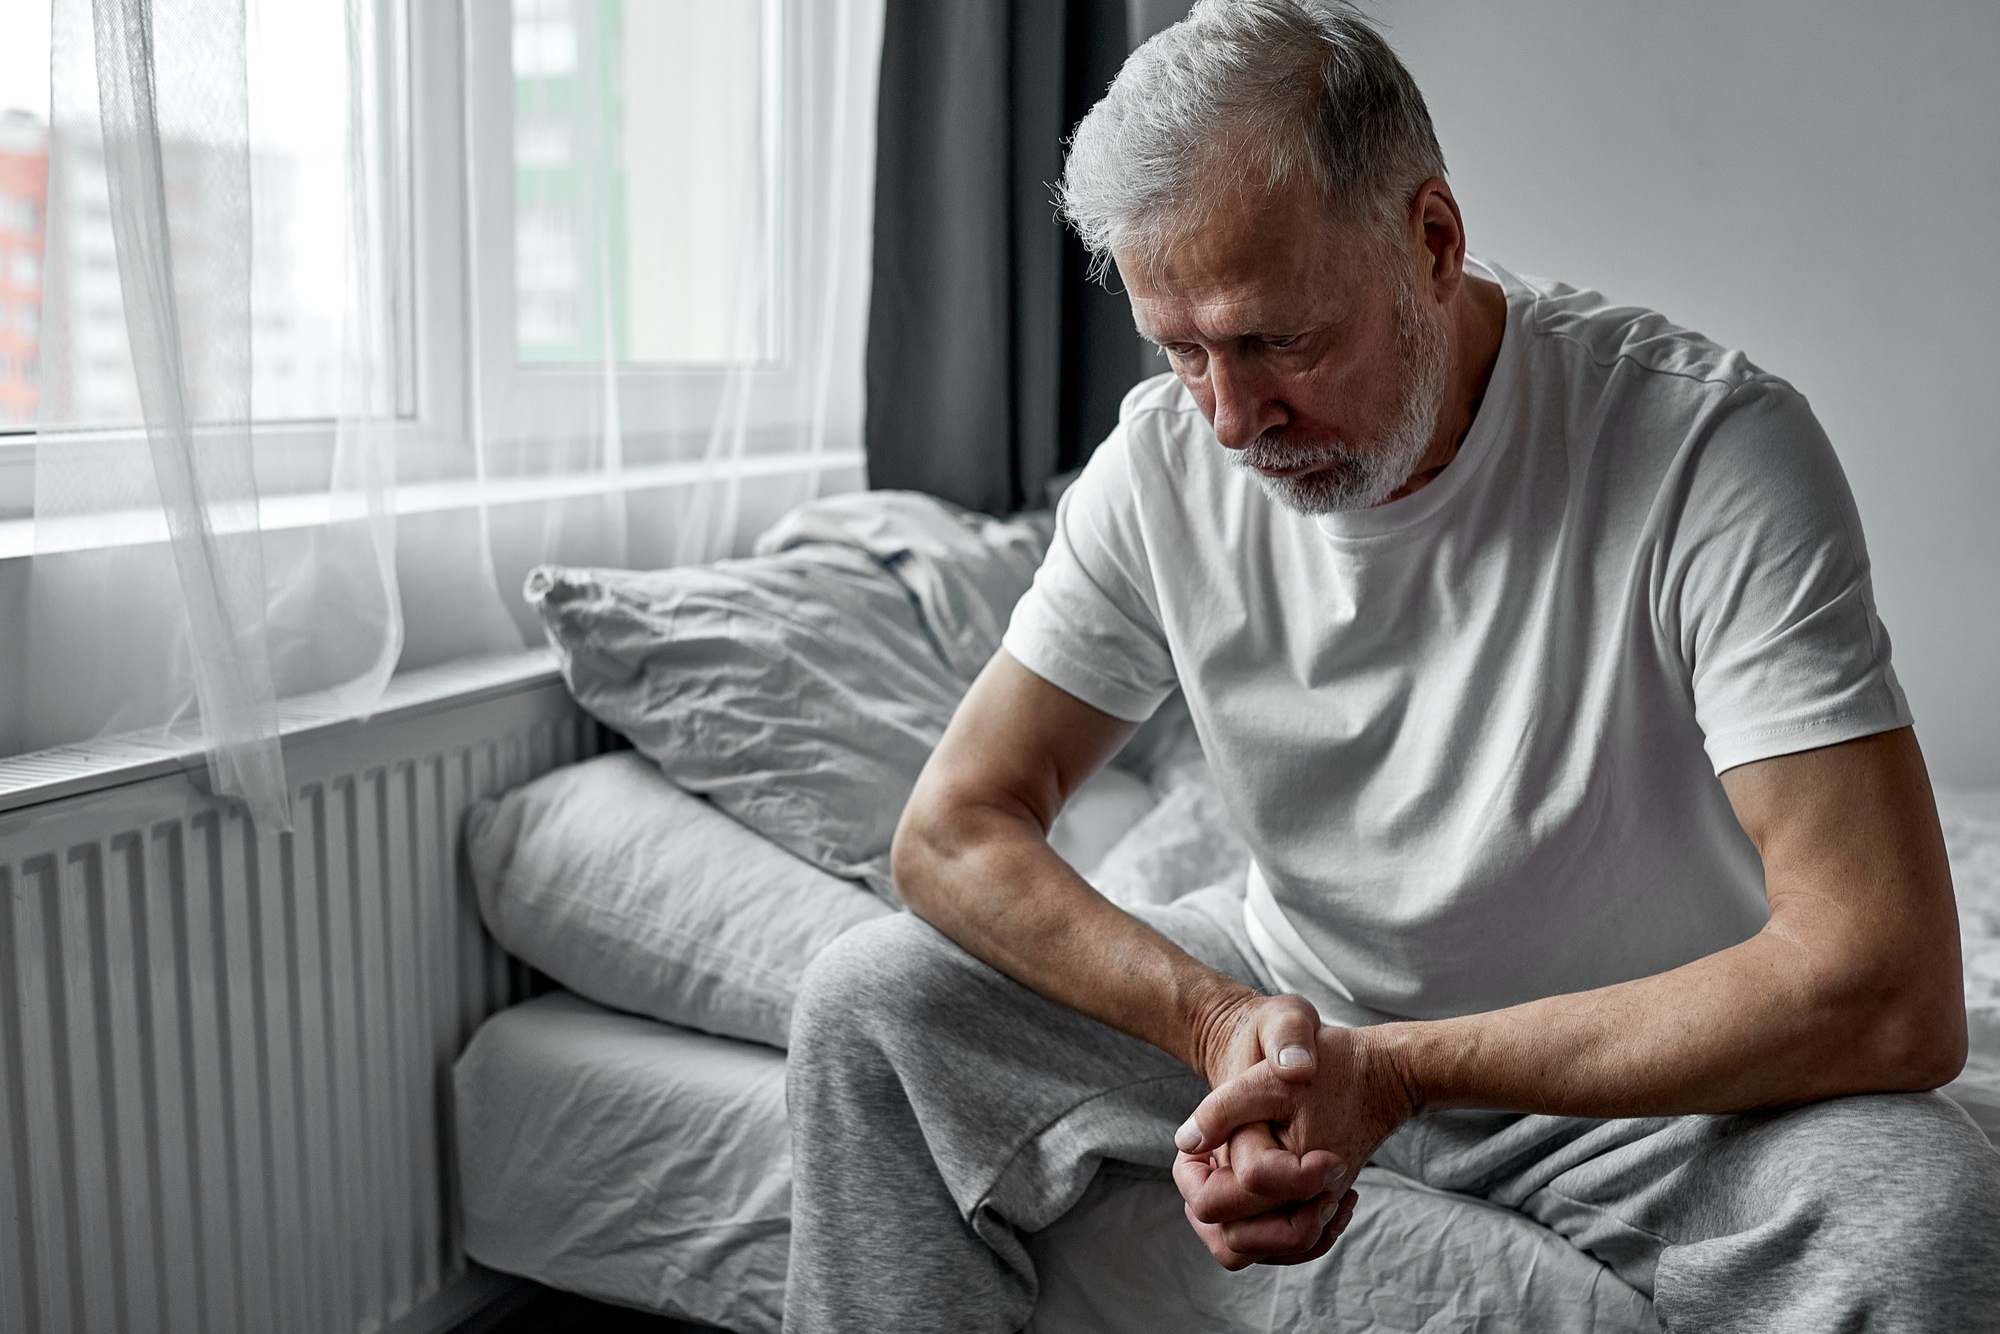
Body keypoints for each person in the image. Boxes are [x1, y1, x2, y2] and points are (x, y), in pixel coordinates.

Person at [782, 2, 2000, 1329]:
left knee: (1925, 1209)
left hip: (1643, 1084)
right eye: (1180, 350)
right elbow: (953, 830)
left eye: (1275, 341)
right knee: (869, 1004)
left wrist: (1402, 1074)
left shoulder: (1711, 453)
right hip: (1293, 1010)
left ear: (1431, 239)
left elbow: (1892, 981)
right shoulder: (1161, 469)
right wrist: (1216, 1022)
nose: (1234, 419)